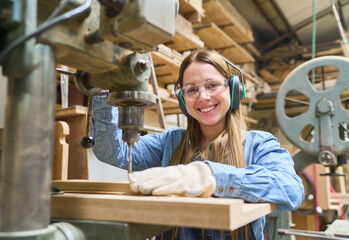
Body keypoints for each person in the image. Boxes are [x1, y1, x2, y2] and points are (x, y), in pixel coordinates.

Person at [91, 49, 304, 240]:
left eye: (212, 85)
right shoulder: (170, 142)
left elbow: (291, 190)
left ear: (233, 89)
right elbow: (113, 151)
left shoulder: (258, 144)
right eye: (191, 90)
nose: (203, 97)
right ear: (183, 100)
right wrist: (102, 91)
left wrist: (210, 176)